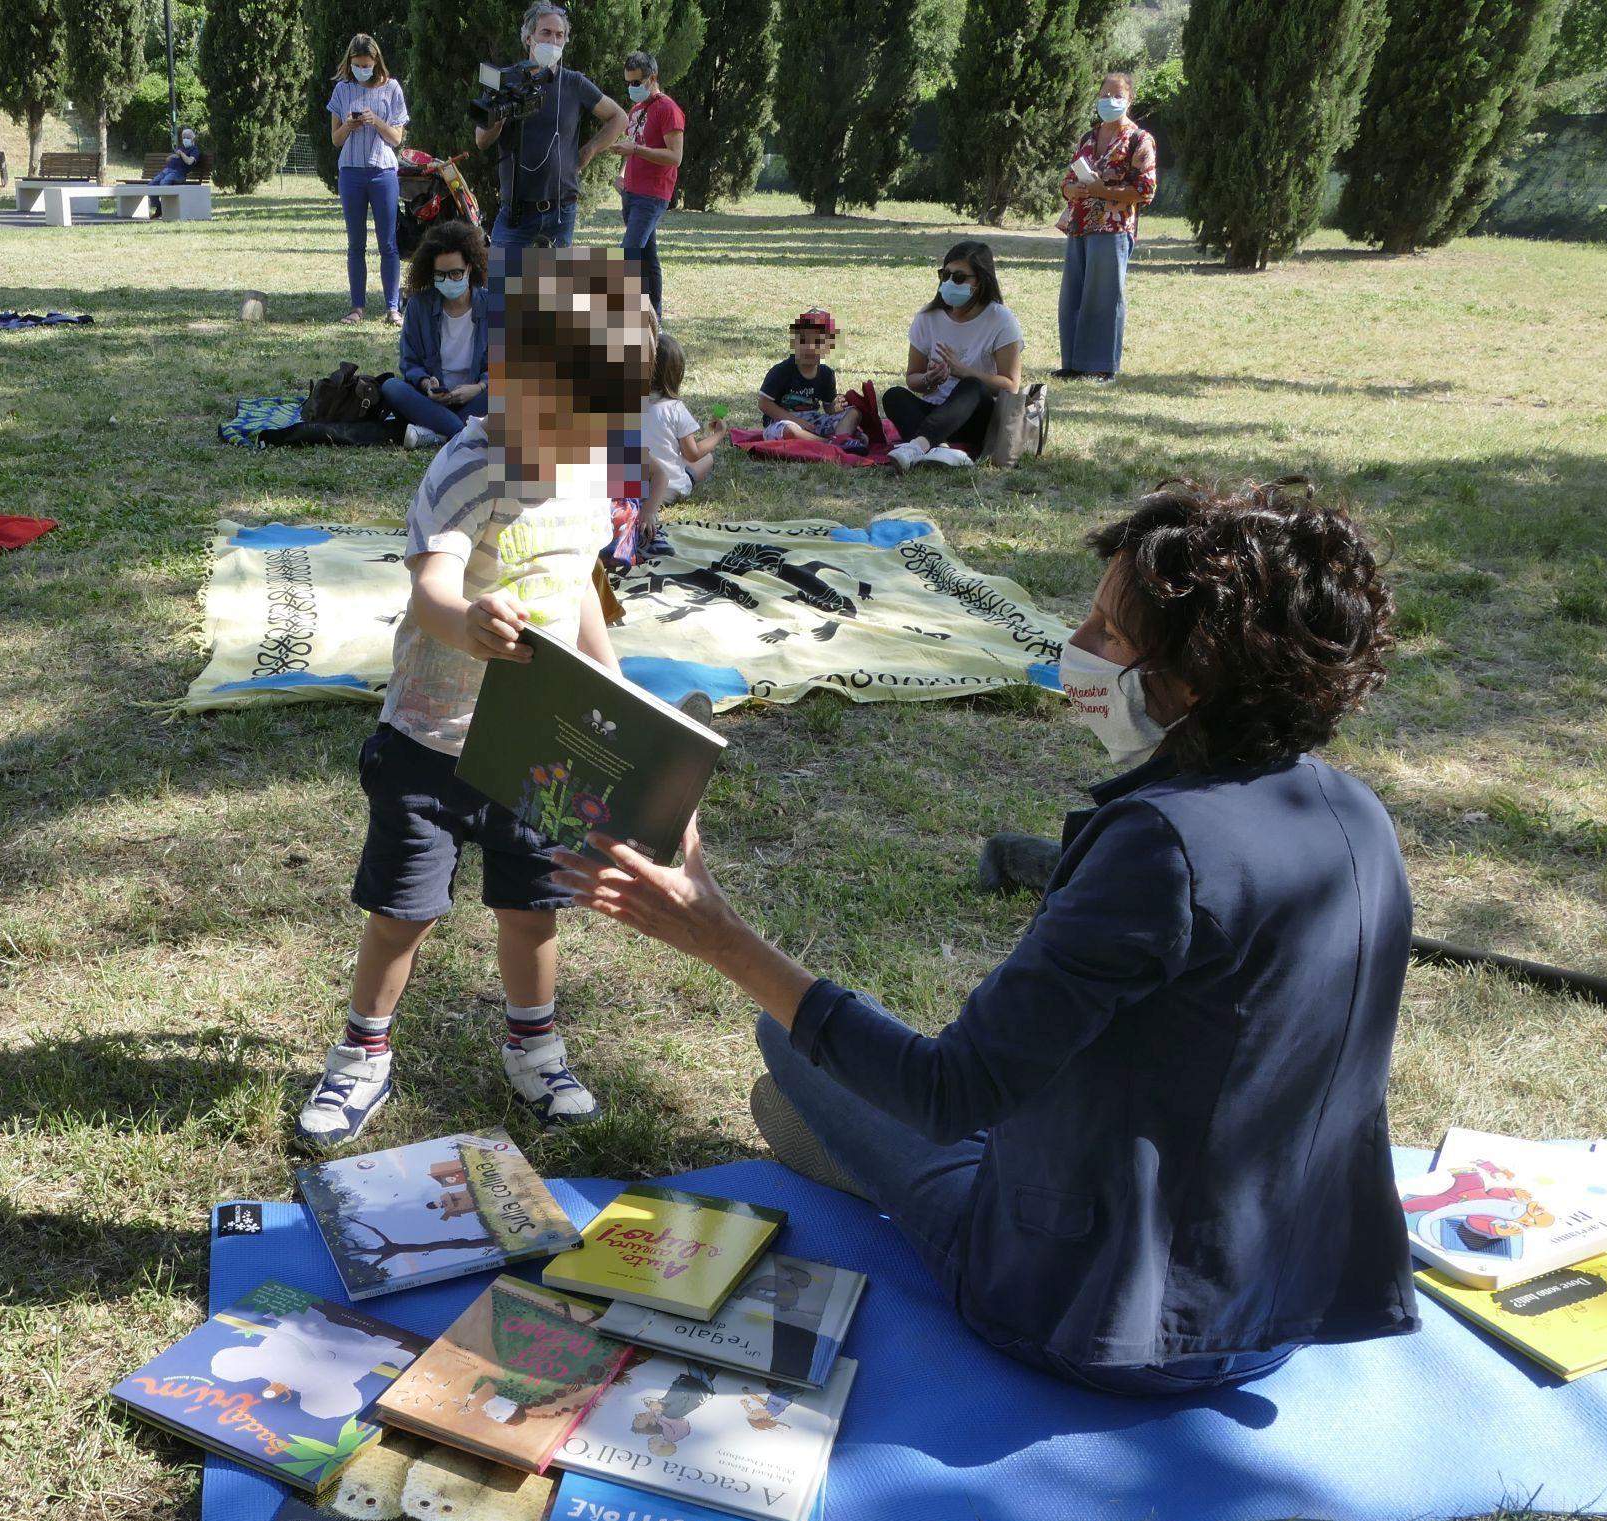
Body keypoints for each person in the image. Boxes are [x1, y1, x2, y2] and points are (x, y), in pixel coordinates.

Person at [553, 480, 1418, 1397]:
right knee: (840, 1060)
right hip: (1283, 1305)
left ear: (1196, 678)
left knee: (789, 1040)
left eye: (1108, 637)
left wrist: (716, 934)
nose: (1073, 650)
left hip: (1086, 1316)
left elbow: (949, 1091)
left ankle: (885, 1175)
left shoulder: (1160, 847)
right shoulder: (1355, 812)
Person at [296, 245, 649, 1149]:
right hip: (431, 738)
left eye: (601, 413)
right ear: (511, 374)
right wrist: (467, 624)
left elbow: (579, 591)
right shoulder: (466, 464)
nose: (578, 433)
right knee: (402, 912)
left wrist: (613, 690)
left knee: (533, 908)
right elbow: (430, 590)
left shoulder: (585, 474)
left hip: (536, 740)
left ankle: (534, 1046)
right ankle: (362, 1056)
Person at [473, 2, 627, 271]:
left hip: (560, 211)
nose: (553, 40)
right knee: (502, 293)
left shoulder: (574, 82)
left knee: (550, 302)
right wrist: (500, 116)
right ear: (529, 37)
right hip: (515, 213)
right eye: (546, 33)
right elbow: (481, 141)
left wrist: (588, 152)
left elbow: (619, 118)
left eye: (559, 35)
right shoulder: (504, 80)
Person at [882, 240, 1021, 470]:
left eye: (958, 277)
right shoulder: (928, 317)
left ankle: (918, 445)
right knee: (894, 396)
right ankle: (943, 451)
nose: (948, 283)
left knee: (973, 385)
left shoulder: (1001, 320)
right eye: (944, 275)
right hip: (936, 412)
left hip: (977, 418)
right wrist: (929, 379)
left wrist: (962, 371)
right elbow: (912, 378)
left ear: (981, 281)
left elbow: (1011, 386)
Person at [1057, 71, 1155, 383]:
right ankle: (1073, 363)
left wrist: (1104, 192)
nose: (1109, 101)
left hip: (1113, 228)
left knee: (1103, 297)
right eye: (1104, 94)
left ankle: (1100, 366)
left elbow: (1145, 189)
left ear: (1130, 100)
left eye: (1117, 96)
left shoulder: (1139, 139)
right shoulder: (1088, 137)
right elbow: (1069, 178)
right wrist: (1069, 190)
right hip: (1080, 224)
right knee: (1073, 296)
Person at [326, 33, 411, 326]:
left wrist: (377, 121)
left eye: (368, 63)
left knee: (388, 243)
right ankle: (357, 308)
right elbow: (336, 140)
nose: (363, 68)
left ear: (376, 61)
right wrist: (349, 125)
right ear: (350, 62)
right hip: (350, 173)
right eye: (358, 64)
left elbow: (397, 138)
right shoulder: (342, 90)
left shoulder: (392, 89)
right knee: (356, 244)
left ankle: (392, 308)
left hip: (383, 173)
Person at [384, 219, 490, 446]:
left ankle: (437, 433)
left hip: (476, 398)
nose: (448, 280)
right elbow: (409, 364)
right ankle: (462, 432)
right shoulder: (418, 306)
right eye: (440, 275)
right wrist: (426, 384)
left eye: (455, 274)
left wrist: (478, 387)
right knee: (391, 387)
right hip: (431, 401)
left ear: (470, 268)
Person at [609, 49, 682, 319]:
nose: (631, 88)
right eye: (627, 83)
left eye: (636, 83)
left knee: (628, 253)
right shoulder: (636, 109)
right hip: (631, 192)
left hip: (652, 196)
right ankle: (656, 320)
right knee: (649, 258)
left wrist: (636, 151)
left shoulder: (668, 110)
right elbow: (632, 146)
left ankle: (615, 314)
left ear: (653, 78)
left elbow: (675, 157)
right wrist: (623, 173)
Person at [640, 332, 722, 545]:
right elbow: (693, 454)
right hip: (667, 487)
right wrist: (718, 435)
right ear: (676, 373)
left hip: (635, 482)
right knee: (707, 458)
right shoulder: (675, 409)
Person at [758, 308, 862, 448]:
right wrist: (795, 421)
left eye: (818, 343)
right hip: (781, 421)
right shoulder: (782, 370)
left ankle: (841, 439)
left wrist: (837, 406)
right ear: (794, 342)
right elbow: (764, 404)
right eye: (805, 340)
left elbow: (828, 408)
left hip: (813, 422)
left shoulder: (826, 373)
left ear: (828, 348)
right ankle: (831, 444)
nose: (810, 347)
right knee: (791, 430)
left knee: (854, 413)